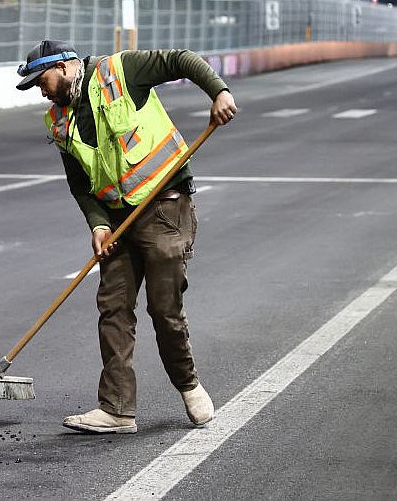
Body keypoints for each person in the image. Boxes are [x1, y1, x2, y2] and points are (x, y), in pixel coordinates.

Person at [16, 40, 236, 434]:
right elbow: (80, 184)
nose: (42, 90)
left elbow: (179, 60)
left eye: (42, 80)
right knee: (113, 308)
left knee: (163, 309)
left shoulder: (121, 71)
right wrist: (98, 225)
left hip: (165, 208)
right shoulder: (58, 121)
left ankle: (188, 386)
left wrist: (218, 91)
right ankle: (117, 408)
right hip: (118, 221)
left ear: (65, 67)